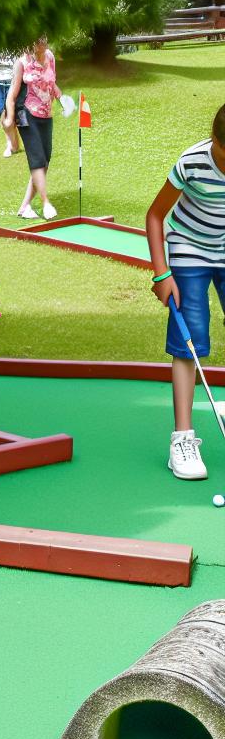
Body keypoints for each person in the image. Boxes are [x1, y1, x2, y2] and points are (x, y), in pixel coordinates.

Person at [146, 104, 225, 481]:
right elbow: (155, 216)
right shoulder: (191, 162)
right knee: (189, 336)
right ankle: (182, 439)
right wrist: (162, 274)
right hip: (190, 247)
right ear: (215, 142)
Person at [3, 36, 71, 220]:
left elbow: (50, 81)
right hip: (26, 114)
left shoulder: (50, 57)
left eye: (44, 39)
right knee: (37, 160)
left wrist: (59, 96)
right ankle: (45, 202)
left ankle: (24, 207)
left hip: (46, 115)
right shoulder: (22, 63)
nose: (43, 42)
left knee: (44, 162)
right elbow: (11, 96)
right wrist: (9, 119)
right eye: (38, 40)